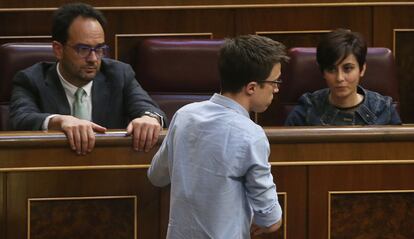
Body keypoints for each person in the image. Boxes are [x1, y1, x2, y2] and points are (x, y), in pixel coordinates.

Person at [148, 35, 288, 238]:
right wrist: (272, 220)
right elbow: (270, 219)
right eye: (274, 82)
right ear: (251, 87)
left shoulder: (184, 115)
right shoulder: (251, 134)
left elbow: (156, 176)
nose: (276, 89)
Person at [9, 3, 167, 155]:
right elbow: (20, 119)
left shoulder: (119, 74)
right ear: (58, 50)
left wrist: (150, 118)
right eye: (83, 49)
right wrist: (59, 121)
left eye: (99, 49)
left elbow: (149, 108)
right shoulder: (31, 79)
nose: (93, 58)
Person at [285, 28, 401, 126]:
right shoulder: (307, 110)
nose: (340, 78)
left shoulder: (384, 110)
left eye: (348, 68)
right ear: (323, 72)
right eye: (331, 69)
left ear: (362, 69)